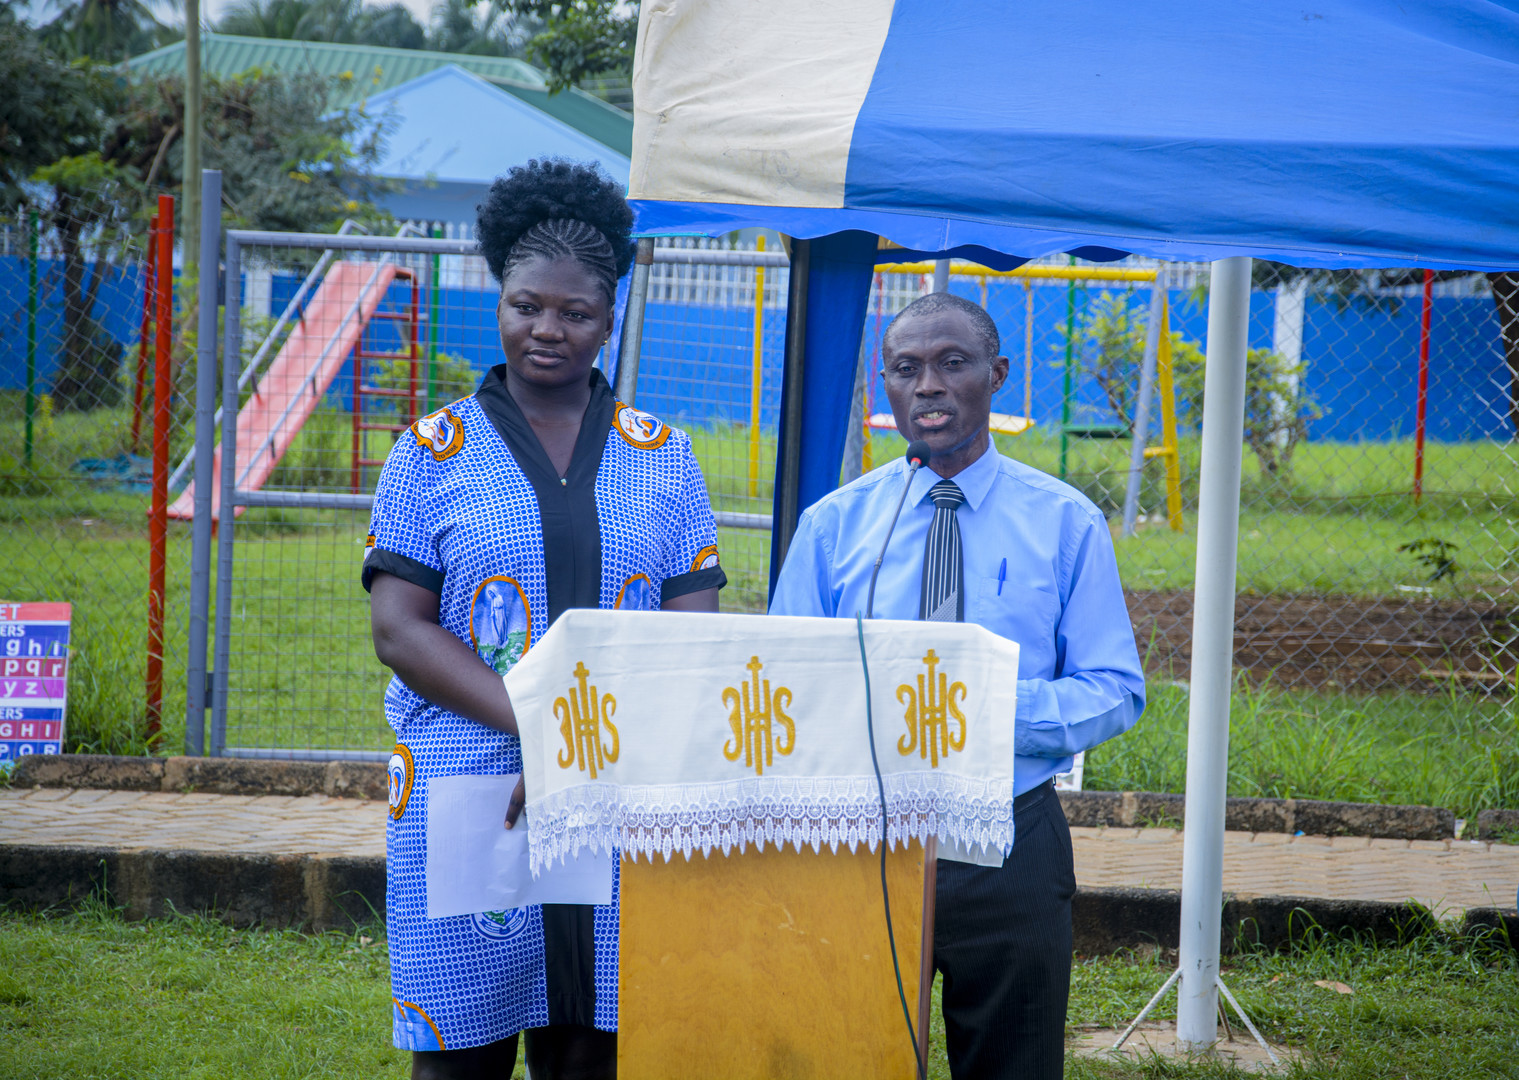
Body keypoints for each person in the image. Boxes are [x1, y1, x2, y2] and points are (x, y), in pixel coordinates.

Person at [364, 158, 726, 1080]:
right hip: (472, 784)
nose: (548, 329)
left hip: (618, 788)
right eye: (526, 306)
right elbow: (400, 629)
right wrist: (550, 733)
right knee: (461, 1056)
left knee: (594, 1050)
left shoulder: (665, 456)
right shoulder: (430, 451)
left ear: (609, 319)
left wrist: (589, 750)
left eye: (575, 312)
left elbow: (690, 633)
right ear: (500, 301)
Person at [768, 291, 1145, 1080]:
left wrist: (987, 709)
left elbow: (1114, 686)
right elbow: (782, 686)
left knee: (1012, 1062)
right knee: (849, 1058)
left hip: (1007, 839)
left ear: (995, 375)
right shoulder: (835, 526)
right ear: (885, 386)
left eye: (951, 363)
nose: (928, 385)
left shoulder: (1063, 522)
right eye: (905, 369)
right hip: (858, 843)